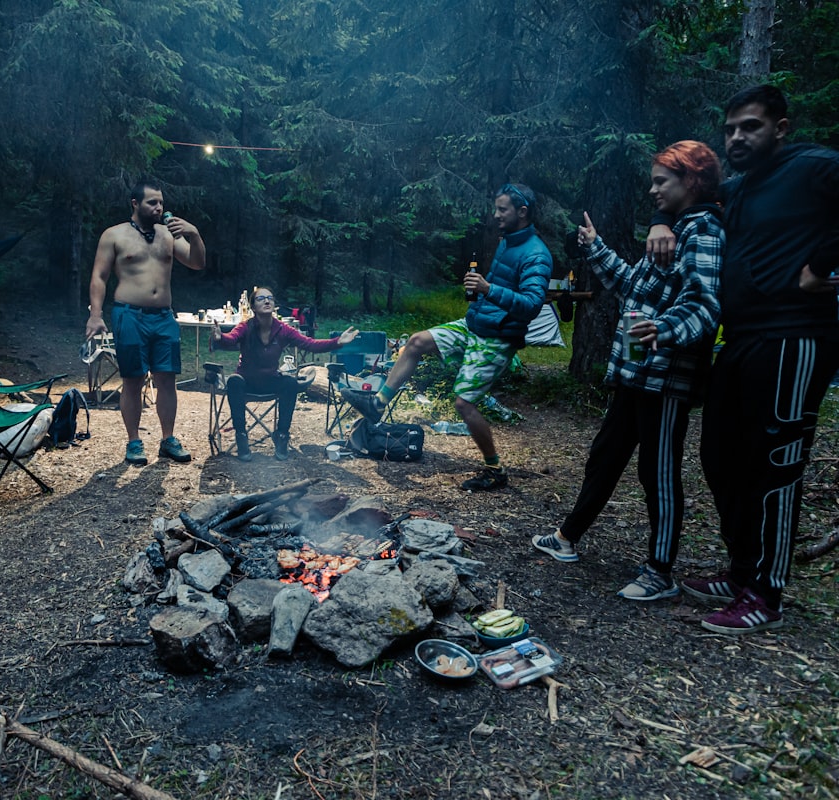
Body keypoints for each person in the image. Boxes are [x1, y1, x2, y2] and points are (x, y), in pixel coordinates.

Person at [647, 85, 839, 633]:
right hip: (742, 339)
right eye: (730, 128)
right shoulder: (737, 189)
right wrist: (659, 223)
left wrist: (822, 263)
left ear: (780, 127)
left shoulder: (814, 167)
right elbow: (678, 196)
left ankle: (766, 593)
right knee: (719, 454)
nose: (737, 137)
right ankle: (740, 570)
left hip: (796, 337)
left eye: (750, 126)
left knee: (774, 464)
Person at [532, 141, 724, 601]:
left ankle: (660, 572)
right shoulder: (674, 230)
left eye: (661, 181)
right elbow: (631, 284)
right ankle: (567, 538)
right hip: (636, 377)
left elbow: (706, 303)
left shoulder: (704, 232)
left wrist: (664, 328)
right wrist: (595, 248)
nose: (652, 189)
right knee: (605, 455)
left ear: (691, 181)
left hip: (665, 380)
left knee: (657, 472)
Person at [342, 183, 552, 490]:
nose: (496, 215)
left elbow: (532, 306)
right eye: (496, 209)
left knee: (464, 404)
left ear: (522, 212)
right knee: (415, 342)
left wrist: (487, 289)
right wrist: (481, 295)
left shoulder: (537, 254)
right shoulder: (508, 240)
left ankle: (495, 470)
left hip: (497, 339)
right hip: (476, 324)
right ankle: (378, 403)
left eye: (502, 210)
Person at [85, 177, 206, 466]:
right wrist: (95, 314)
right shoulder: (114, 235)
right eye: (153, 202)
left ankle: (168, 440)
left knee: (167, 379)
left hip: (164, 316)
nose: (159, 207)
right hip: (129, 315)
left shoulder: (169, 235)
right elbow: (99, 276)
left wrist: (195, 234)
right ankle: (133, 442)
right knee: (133, 380)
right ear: (135, 203)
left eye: (161, 202)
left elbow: (197, 262)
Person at [211, 287, 358, 460]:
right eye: (261, 299)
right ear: (253, 307)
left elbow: (310, 344)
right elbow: (231, 338)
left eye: (270, 298)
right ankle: (241, 437)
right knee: (234, 381)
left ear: (274, 304)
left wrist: (337, 342)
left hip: (270, 381)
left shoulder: (283, 330)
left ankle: (281, 436)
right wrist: (220, 337)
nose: (267, 301)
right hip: (246, 381)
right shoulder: (246, 326)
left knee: (289, 382)